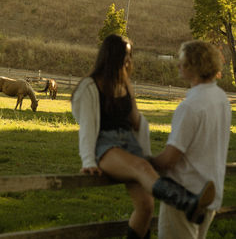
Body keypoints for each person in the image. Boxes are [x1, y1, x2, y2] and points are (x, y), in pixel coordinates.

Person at [71, 34, 216, 239]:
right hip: (105, 146)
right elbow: (87, 126)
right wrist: (88, 160)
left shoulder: (125, 83)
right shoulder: (90, 86)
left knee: (146, 207)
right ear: (111, 56)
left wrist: (144, 152)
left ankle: (188, 204)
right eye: (125, 55)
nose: (129, 60)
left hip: (129, 145)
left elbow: (138, 122)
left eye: (130, 54)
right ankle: (187, 203)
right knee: (142, 168)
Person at [151, 40, 232, 239]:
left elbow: (170, 158)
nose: (179, 65)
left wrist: (141, 161)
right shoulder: (221, 99)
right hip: (211, 194)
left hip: (184, 195)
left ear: (196, 66)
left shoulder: (189, 107)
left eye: (183, 62)